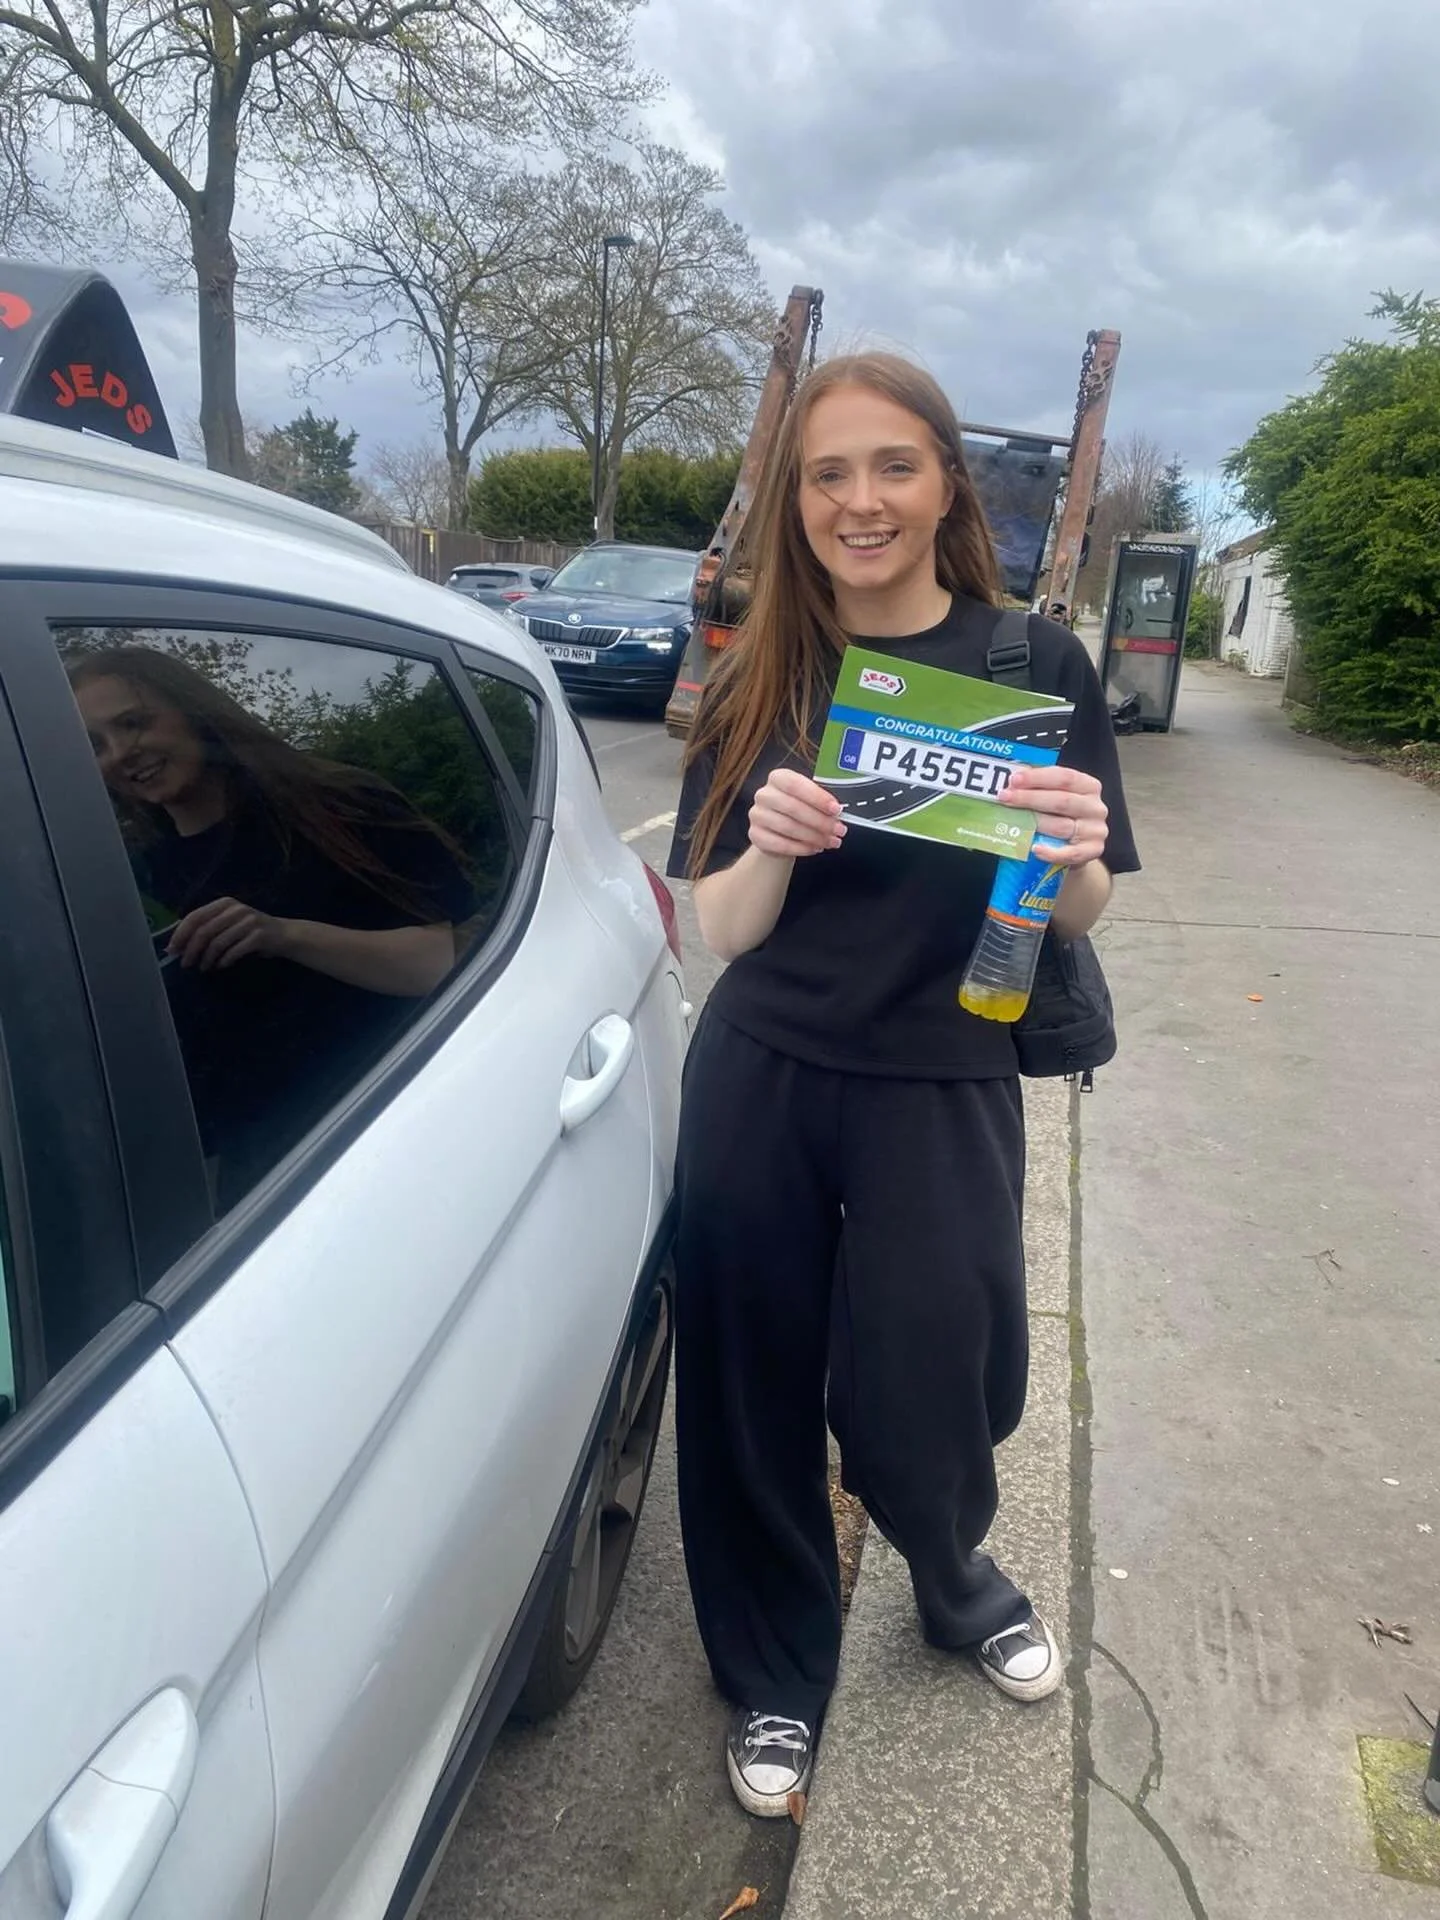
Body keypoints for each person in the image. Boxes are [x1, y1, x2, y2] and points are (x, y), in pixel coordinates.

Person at [666, 353, 1139, 1818]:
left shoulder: (1029, 667)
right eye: (827, 475)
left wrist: (1068, 855)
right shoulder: (764, 675)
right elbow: (714, 935)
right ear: (797, 502)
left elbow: (1084, 912)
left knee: (945, 1371)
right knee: (747, 1384)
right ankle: (772, 1668)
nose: (858, 501)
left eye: (890, 468)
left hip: (942, 1076)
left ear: (944, 484)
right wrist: (769, 845)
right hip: (767, 1074)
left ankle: (952, 1579)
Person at [70, 647, 476, 1206]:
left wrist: (283, 935)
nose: (120, 754)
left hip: (387, 1131)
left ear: (191, 710)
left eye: (133, 723)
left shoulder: (333, 806)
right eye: (95, 746)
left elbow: (439, 962)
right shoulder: (129, 873)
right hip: (240, 1183)